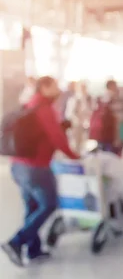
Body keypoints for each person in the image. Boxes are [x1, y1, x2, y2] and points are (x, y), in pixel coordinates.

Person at [2, 76, 80, 267]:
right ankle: (16, 242)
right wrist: (75, 157)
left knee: (33, 207)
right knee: (49, 204)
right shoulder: (44, 109)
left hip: (18, 166)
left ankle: (33, 249)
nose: (58, 89)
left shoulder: (28, 105)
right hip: (36, 167)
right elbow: (57, 138)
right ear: (44, 88)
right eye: (54, 86)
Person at [64, 82, 92, 153]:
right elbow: (71, 113)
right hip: (75, 124)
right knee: (75, 142)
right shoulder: (74, 99)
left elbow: (89, 111)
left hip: (84, 124)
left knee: (82, 141)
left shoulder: (87, 98)